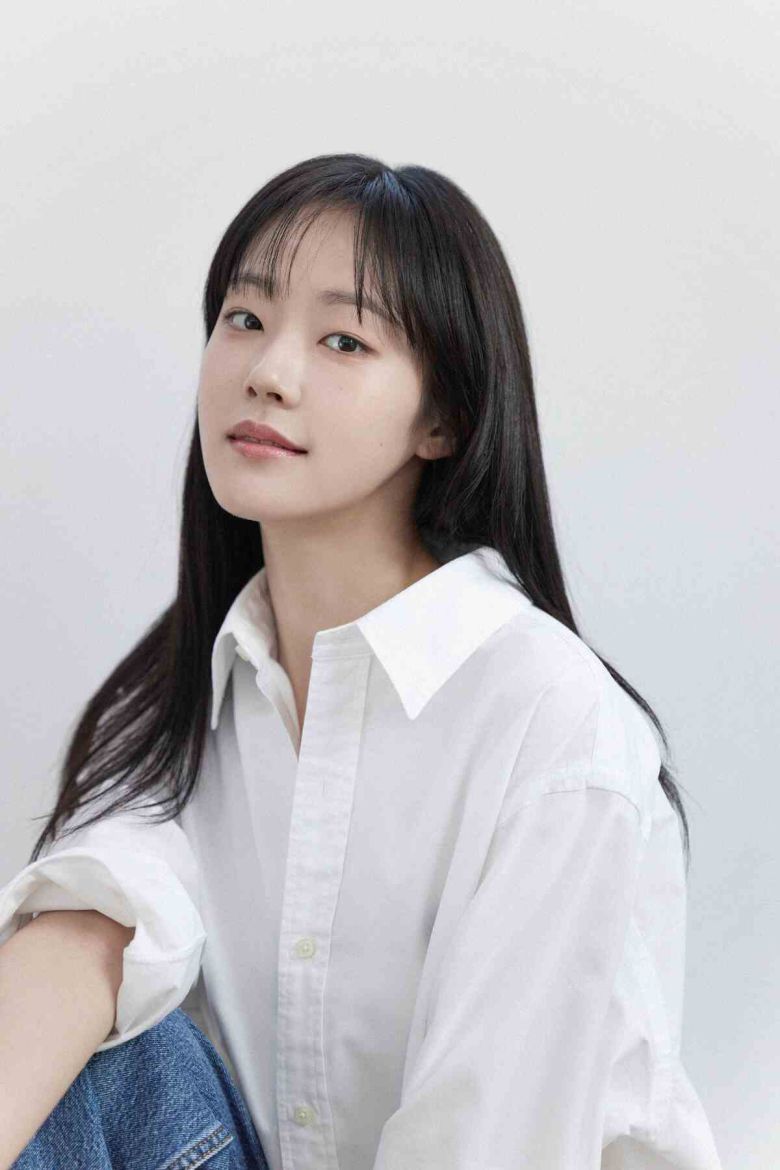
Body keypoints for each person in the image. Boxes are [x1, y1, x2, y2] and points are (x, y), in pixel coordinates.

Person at [0, 153, 723, 1169]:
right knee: (102, 1023)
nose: (268, 371)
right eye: (244, 318)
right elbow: (85, 936)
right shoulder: (176, 702)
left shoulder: (552, 726)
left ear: (445, 418)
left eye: (344, 339)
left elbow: (484, 1145)